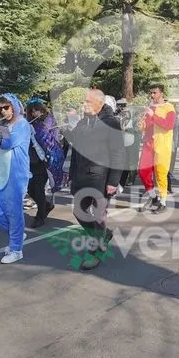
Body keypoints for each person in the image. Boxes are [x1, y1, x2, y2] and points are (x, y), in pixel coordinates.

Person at [67, 89, 125, 270]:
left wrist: (113, 182)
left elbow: (118, 153)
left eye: (87, 102)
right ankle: (102, 235)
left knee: (99, 216)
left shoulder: (111, 122)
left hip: (101, 177)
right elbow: (75, 153)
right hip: (81, 176)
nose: (84, 105)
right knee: (79, 211)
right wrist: (71, 176)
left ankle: (96, 251)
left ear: (99, 103)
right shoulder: (83, 122)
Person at [0, 94, 32, 264]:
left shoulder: (22, 124)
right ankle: (16, 233)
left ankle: (16, 249)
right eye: (0, 108)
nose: (3, 111)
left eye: (6, 107)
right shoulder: (1, 125)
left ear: (14, 107)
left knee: (13, 212)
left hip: (15, 174)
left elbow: (8, 142)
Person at [26, 98, 64, 228]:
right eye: (32, 111)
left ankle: (40, 216)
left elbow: (47, 137)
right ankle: (46, 206)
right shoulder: (30, 122)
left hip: (46, 160)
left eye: (36, 109)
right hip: (32, 160)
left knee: (38, 189)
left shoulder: (49, 120)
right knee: (30, 189)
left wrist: (34, 130)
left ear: (42, 109)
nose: (34, 113)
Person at [137, 84, 175, 213]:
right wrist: (141, 123)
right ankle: (153, 197)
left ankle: (163, 201)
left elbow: (169, 125)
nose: (152, 95)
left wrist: (153, 115)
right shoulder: (150, 107)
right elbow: (145, 125)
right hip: (149, 144)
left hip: (162, 145)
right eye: (151, 93)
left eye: (154, 93)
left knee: (161, 174)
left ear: (161, 94)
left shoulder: (169, 107)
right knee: (143, 171)